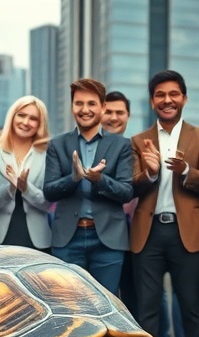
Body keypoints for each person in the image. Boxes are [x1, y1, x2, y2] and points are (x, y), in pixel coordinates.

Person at [129, 69, 199, 337]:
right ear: (152, 101)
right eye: (160, 95)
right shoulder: (138, 140)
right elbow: (131, 185)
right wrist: (151, 173)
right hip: (149, 232)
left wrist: (186, 170)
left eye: (173, 94)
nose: (167, 100)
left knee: (192, 305)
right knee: (147, 308)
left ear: (185, 98)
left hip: (187, 233)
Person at [45, 78, 134, 295]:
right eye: (79, 104)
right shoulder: (58, 144)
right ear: (72, 106)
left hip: (108, 240)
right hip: (68, 238)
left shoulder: (122, 145)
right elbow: (49, 190)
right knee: (68, 304)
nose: (85, 110)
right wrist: (73, 178)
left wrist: (99, 179)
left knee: (106, 306)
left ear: (103, 107)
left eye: (91, 104)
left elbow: (126, 192)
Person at [0, 95, 52, 250]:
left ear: (40, 124)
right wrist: (10, 188)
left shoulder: (48, 155)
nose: (25, 122)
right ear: (12, 117)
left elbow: (48, 204)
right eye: (21, 115)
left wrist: (25, 188)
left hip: (38, 240)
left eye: (33, 118)